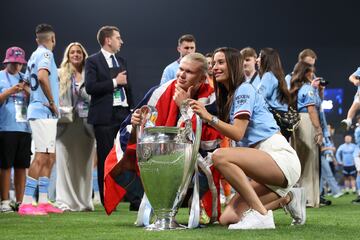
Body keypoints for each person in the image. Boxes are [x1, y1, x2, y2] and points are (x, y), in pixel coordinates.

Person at [189, 47, 303, 229]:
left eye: (220, 62)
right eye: (213, 64)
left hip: (278, 157)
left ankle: (262, 217)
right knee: (229, 218)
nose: (214, 67)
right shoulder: (230, 96)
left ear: (234, 65)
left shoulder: (243, 90)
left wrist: (208, 118)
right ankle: (289, 198)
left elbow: (237, 133)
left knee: (220, 156)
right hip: (262, 163)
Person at [104, 53, 223, 225]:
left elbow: (207, 143)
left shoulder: (212, 99)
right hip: (159, 155)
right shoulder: (159, 92)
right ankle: (158, 206)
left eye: (188, 72)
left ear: (201, 79)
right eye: (181, 69)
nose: (181, 74)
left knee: (210, 163)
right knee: (119, 163)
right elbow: (130, 127)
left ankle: (196, 206)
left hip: (194, 160)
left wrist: (184, 107)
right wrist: (136, 123)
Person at [85, 26, 134, 206]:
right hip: (104, 116)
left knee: (126, 155)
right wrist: (115, 82)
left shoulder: (121, 60)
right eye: (118, 38)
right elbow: (90, 87)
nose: (121, 41)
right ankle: (107, 198)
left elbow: (128, 88)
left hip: (122, 114)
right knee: (106, 156)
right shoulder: (92, 61)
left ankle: (128, 196)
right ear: (108, 40)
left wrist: (132, 110)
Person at [18, 23, 62, 215]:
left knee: (50, 156)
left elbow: (25, 84)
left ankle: (43, 201)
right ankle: (26, 203)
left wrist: (36, 99)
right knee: (41, 156)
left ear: (37, 39)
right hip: (43, 112)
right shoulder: (46, 55)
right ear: (53, 39)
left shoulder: (32, 57)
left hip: (41, 112)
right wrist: (51, 102)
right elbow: (43, 77)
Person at [55, 42, 95, 211]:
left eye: (79, 52)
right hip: (65, 124)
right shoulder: (59, 74)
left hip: (86, 125)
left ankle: (84, 202)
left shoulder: (91, 75)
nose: (76, 54)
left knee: (84, 165)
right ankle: (64, 201)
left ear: (83, 55)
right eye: (73, 52)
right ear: (68, 55)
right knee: (64, 164)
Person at [0, 47, 30, 212]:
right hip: (5, 127)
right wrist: (10, 91)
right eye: (14, 63)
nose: (17, 66)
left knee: (21, 166)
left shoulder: (25, 78)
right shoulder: (0, 77)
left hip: (24, 128)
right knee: (5, 166)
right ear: (7, 61)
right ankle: (4, 201)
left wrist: (27, 92)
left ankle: (20, 201)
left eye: (20, 63)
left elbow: (34, 101)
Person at [290, 61, 323, 208]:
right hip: (306, 122)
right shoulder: (307, 88)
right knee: (310, 161)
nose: (312, 74)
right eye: (310, 71)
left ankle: (297, 197)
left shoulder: (293, 88)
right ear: (305, 73)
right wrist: (319, 129)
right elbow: (311, 110)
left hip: (295, 123)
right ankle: (309, 198)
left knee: (299, 162)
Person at [257, 48, 291, 139]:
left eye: (260, 56)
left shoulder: (268, 76)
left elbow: (258, 98)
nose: (257, 59)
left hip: (274, 118)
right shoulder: (279, 75)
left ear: (266, 59)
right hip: (283, 118)